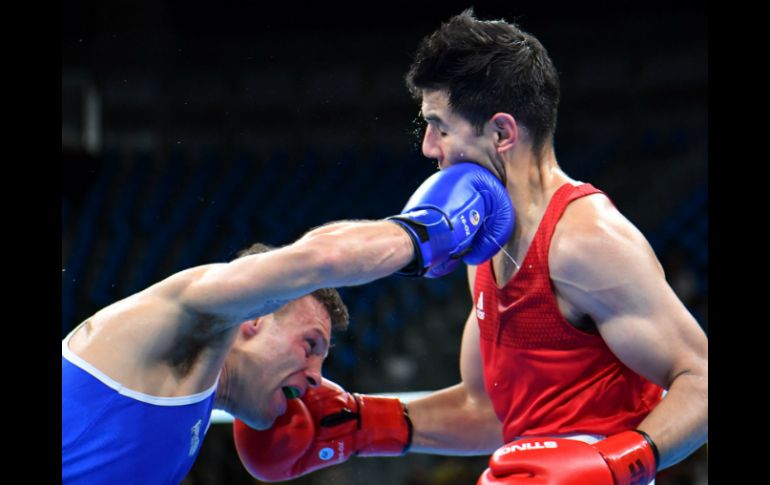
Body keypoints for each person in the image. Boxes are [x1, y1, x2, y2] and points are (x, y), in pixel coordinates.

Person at [233, 9, 708, 485]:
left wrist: (613, 463)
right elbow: (486, 409)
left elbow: (701, 381)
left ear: (502, 133)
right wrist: (365, 422)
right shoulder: (482, 240)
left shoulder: (586, 241)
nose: (429, 147)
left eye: (440, 125)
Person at [61, 161, 515, 484]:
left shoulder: (193, 388)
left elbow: (491, 418)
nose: (318, 377)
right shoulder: (184, 315)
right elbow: (318, 259)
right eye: (309, 344)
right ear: (255, 316)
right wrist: (427, 232)